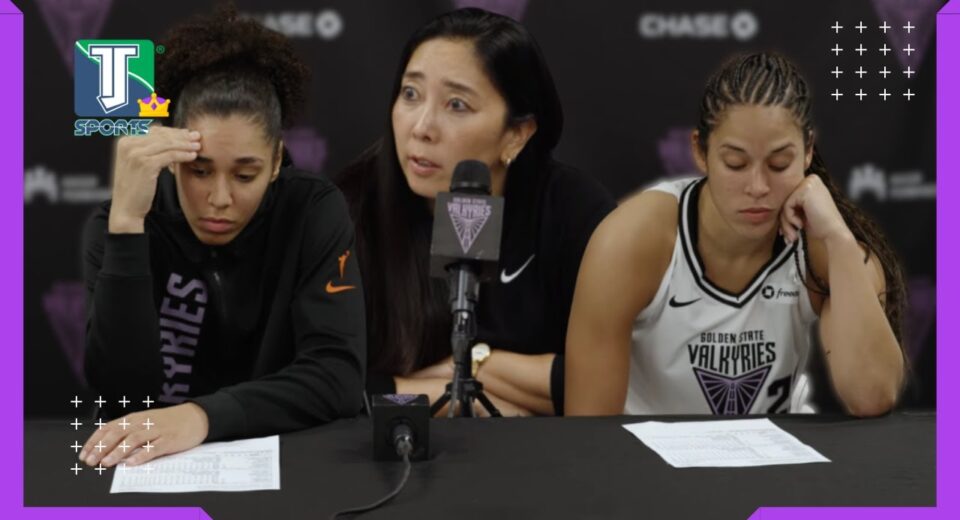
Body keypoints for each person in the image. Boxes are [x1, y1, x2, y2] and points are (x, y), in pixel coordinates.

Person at [79, 7, 365, 469]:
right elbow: (121, 399)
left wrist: (201, 417)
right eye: (199, 170)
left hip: (290, 466)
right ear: (173, 156)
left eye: (245, 175)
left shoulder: (312, 210)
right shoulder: (122, 224)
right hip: (149, 473)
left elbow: (338, 376)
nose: (219, 198)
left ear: (277, 161)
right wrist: (128, 224)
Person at [565, 52, 906, 417]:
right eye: (735, 163)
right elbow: (590, 430)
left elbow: (872, 395)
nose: (758, 187)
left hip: (777, 447)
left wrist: (838, 238)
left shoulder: (824, 244)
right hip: (647, 450)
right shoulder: (632, 239)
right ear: (700, 151)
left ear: (808, 151)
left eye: (779, 164)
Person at [336, 8, 614, 416]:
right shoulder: (350, 208)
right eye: (410, 94)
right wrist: (458, 400)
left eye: (457, 104)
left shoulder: (571, 209)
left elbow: (604, 383)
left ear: (516, 134)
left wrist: (474, 364)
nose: (421, 127)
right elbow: (333, 388)